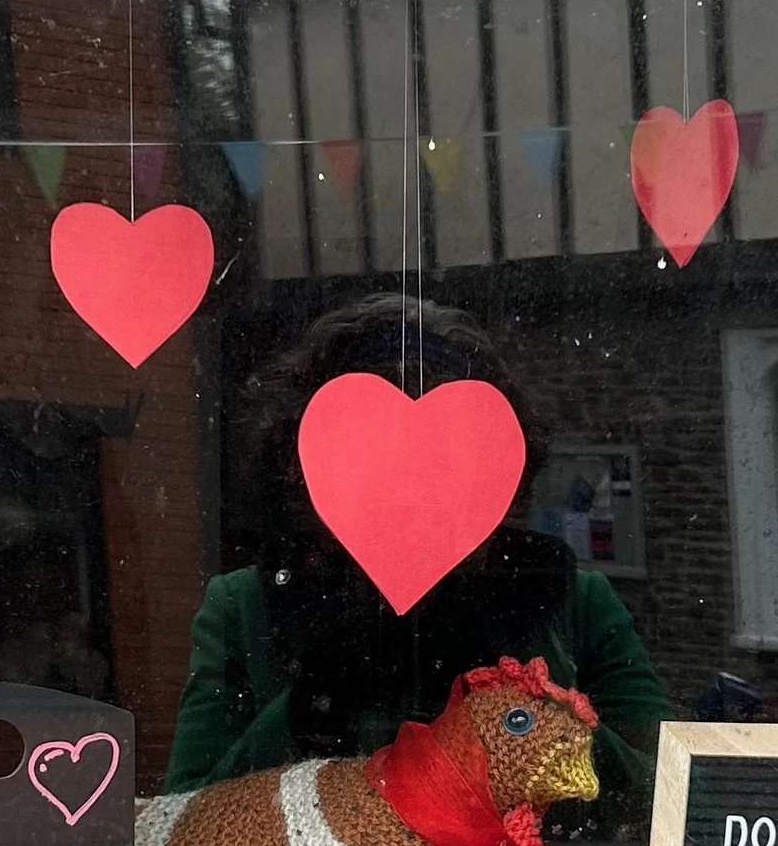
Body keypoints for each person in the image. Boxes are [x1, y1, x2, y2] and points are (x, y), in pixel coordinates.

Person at [165, 295, 669, 812]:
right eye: (368, 457)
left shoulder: (569, 601)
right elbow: (182, 824)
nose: (410, 488)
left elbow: (668, 806)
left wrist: (519, 700)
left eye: (446, 460)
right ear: (307, 471)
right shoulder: (249, 607)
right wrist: (308, 705)